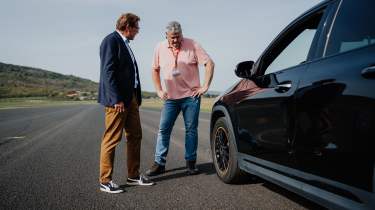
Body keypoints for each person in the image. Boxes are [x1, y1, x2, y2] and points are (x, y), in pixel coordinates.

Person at [146, 21, 215, 176]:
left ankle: (191, 163)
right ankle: (159, 164)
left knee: (191, 130)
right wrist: (158, 90)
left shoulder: (193, 44)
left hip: (191, 97)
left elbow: (209, 64)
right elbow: (154, 69)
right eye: (172, 37)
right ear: (166, 36)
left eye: (178, 36)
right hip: (170, 98)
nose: (176, 40)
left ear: (182, 34)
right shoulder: (159, 47)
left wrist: (205, 87)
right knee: (164, 130)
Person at [98, 13, 154, 194]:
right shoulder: (111, 41)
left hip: (131, 99)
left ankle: (133, 175)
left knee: (135, 135)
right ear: (128, 27)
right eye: (137, 27)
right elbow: (108, 72)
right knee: (112, 139)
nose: (138, 31)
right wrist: (116, 99)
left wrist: (134, 98)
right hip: (118, 101)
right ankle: (105, 181)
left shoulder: (125, 43)